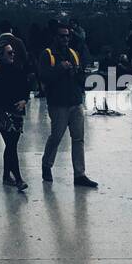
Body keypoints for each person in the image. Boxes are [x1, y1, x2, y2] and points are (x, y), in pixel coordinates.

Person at [38, 21, 98, 187]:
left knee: (78, 139)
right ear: (55, 37)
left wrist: (82, 79)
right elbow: (43, 76)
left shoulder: (73, 53)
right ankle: (47, 165)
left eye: (67, 36)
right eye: (62, 36)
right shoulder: (47, 54)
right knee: (56, 136)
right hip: (58, 103)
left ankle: (79, 174)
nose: (65, 39)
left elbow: (79, 75)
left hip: (75, 101)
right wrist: (60, 68)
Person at [0, 32, 30, 192]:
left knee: (11, 145)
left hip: (16, 110)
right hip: (3, 111)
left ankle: (6, 175)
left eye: (13, 52)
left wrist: (24, 100)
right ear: (1, 55)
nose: (13, 55)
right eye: (9, 53)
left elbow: (26, 88)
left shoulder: (17, 69)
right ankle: (18, 179)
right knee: (11, 145)